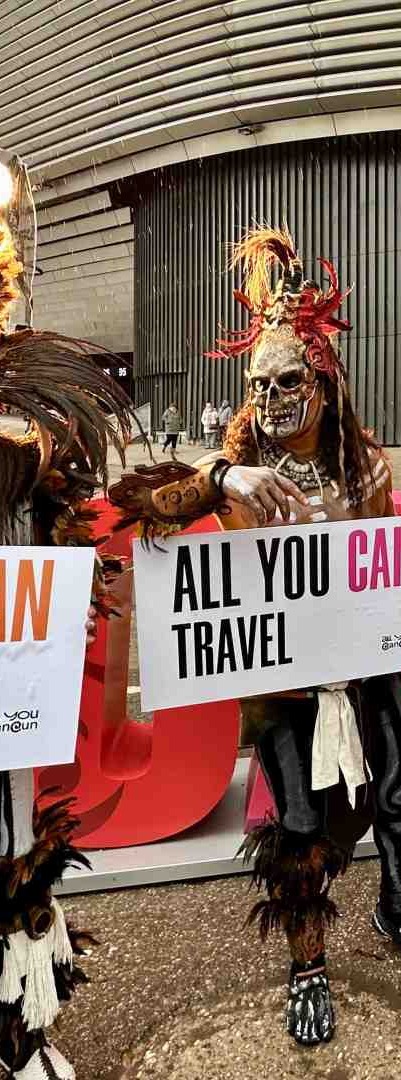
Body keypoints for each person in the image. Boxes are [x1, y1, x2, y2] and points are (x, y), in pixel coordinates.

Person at [108, 226, 401, 1048]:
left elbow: (382, 567)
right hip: (283, 685)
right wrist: (223, 478)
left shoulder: (363, 462)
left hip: (365, 672)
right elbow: (138, 507)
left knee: (399, 790)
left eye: (290, 380)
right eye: (261, 384)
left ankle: (398, 908)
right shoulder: (235, 460)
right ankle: (307, 961)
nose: (274, 398)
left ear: (323, 384)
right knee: (297, 825)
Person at [0, 157, 139, 1078]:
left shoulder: (32, 409)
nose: (8, 271)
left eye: (11, 260)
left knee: (13, 850)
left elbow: (59, 487)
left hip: (9, 665)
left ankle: (21, 1031)